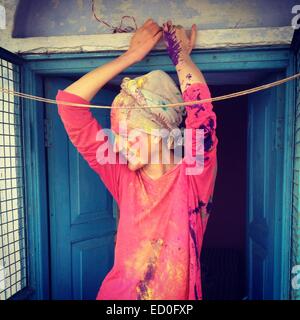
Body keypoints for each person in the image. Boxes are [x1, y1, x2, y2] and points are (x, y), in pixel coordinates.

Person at [56, 19, 218, 300]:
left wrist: (180, 55)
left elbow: (200, 111)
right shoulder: (122, 175)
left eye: (129, 135)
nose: (119, 144)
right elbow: (70, 105)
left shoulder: (194, 175)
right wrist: (131, 56)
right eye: (117, 135)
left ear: (160, 133)